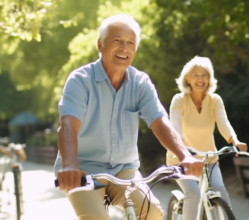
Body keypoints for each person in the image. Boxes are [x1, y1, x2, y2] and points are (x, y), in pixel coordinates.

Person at [54, 14, 203, 220]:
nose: (124, 48)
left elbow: (159, 122)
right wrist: (69, 165)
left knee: (151, 212)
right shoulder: (80, 80)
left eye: (130, 43)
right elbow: (68, 124)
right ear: (100, 45)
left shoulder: (140, 82)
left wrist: (184, 155)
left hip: (125, 171)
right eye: (117, 41)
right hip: (82, 169)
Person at [166, 56, 248, 220]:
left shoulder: (215, 100)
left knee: (219, 189)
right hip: (182, 159)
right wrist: (181, 149)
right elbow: (174, 126)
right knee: (193, 194)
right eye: (196, 75)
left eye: (204, 75)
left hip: (208, 158)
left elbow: (223, 123)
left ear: (209, 78)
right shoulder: (179, 100)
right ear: (187, 78)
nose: (200, 79)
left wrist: (235, 141)